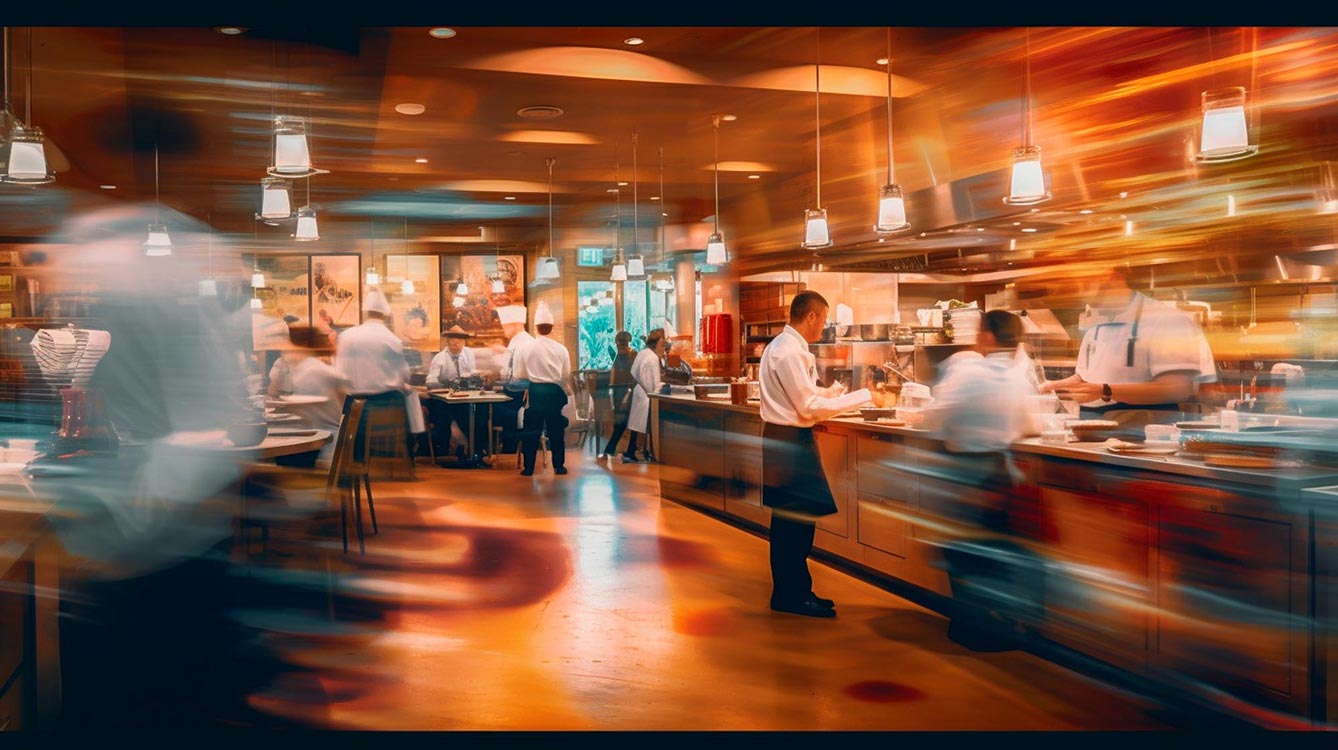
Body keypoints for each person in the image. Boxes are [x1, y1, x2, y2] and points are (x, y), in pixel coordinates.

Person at [921, 310, 1048, 651]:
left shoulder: (964, 371)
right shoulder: (1018, 378)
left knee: (964, 551)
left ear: (988, 336)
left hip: (964, 468)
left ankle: (970, 628)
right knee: (991, 549)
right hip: (997, 472)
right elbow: (1030, 426)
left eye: (980, 331)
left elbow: (934, 420)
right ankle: (994, 623)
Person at [757, 290, 871, 618]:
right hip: (791, 443)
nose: (823, 327)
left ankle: (795, 591)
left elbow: (804, 394)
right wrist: (861, 397)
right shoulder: (790, 352)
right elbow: (807, 407)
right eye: (822, 320)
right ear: (810, 316)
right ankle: (791, 597)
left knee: (792, 522)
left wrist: (830, 392)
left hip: (785, 441)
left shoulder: (781, 346)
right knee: (795, 524)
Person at [1037, 267, 1216, 430]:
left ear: (1114, 274)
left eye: (1083, 280)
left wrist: (1105, 391)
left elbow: (1176, 389)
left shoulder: (1168, 320)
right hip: (1091, 430)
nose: (1073, 287)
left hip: (1144, 437)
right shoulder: (1095, 326)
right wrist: (1054, 386)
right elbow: (1088, 377)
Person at [333, 287, 424, 461]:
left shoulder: (346, 336)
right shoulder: (391, 339)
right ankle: (404, 460)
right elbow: (403, 374)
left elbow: (339, 372)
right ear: (384, 315)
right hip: (386, 404)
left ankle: (356, 461)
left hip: (353, 405)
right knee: (408, 407)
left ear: (367, 313)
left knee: (353, 426)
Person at [269, 325, 349, 466]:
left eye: (287, 343)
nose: (282, 348)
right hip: (319, 439)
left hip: (319, 444)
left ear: (300, 346)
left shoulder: (311, 370)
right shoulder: (308, 368)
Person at [514, 301, 572, 477]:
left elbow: (518, 373)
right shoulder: (561, 349)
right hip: (554, 392)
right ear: (552, 327)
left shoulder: (526, 347)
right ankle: (559, 466)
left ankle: (529, 468)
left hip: (536, 391)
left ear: (535, 326)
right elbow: (565, 374)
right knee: (556, 431)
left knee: (531, 431)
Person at [426, 325, 488, 461]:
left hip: (464, 398)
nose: (456, 344)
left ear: (464, 342)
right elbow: (430, 380)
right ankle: (444, 453)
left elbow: (472, 372)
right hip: (444, 400)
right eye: (453, 341)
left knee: (477, 418)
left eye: (459, 341)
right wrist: (445, 386)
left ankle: (475, 451)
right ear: (447, 341)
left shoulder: (468, 353)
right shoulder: (439, 358)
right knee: (443, 420)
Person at [495, 304, 534, 455]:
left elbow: (523, 373)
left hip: (519, 393)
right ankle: (505, 449)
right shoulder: (515, 341)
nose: (504, 329)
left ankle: (508, 452)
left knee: (505, 419)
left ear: (516, 324)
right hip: (512, 390)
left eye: (505, 326)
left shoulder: (526, 342)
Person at [624, 328, 665, 463]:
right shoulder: (652, 358)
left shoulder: (643, 353)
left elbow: (633, 370)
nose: (663, 348)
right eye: (662, 345)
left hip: (639, 391)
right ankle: (639, 451)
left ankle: (634, 451)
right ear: (656, 343)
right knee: (642, 426)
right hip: (647, 394)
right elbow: (655, 383)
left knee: (637, 426)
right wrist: (661, 388)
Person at [599, 330, 635, 459]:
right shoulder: (618, 356)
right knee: (622, 422)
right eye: (619, 343)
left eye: (623, 343)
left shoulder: (632, 355)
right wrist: (611, 391)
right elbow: (614, 373)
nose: (621, 345)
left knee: (626, 422)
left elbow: (633, 374)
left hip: (628, 391)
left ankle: (615, 448)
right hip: (618, 392)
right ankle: (622, 449)